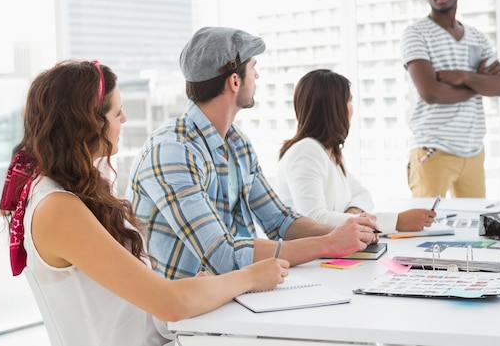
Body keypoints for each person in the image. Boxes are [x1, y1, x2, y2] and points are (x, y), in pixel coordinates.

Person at [0, 60, 289, 346]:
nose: (124, 119)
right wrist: (249, 277)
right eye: (117, 112)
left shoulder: (73, 191)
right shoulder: (57, 208)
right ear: (87, 124)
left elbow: (144, 301)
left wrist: (202, 288)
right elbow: (168, 304)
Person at [127, 27, 378, 280]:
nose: (257, 75)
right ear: (235, 81)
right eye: (253, 67)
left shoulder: (237, 144)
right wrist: (329, 243)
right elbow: (222, 256)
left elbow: (280, 221)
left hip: (233, 297)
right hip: (186, 313)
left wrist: (347, 231)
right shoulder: (173, 150)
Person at [401, 0, 500, 198]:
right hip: (433, 151)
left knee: (475, 233)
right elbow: (431, 93)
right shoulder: (416, 34)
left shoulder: (477, 38)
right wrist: (479, 83)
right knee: (425, 230)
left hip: (473, 152)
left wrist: (463, 77)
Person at [275, 69, 435, 233]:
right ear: (335, 108)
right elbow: (315, 220)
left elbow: (362, 195)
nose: (352, 109)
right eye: (349, 102)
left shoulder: (328, 151)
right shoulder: (306, 151)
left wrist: (351, 215)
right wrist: (396, 222)